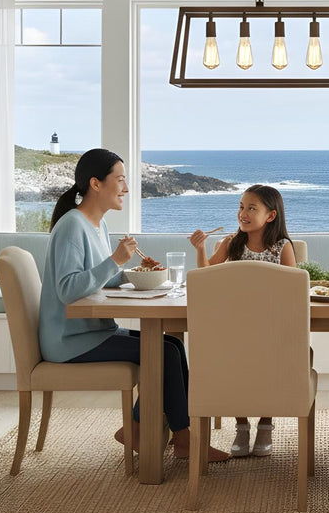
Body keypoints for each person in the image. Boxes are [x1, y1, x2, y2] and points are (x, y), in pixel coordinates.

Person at [39, 148, 229, 464]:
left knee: (172, 345)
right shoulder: (73, 226)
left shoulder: (96, 225)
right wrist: (116, 260)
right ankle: (184, 440)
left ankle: (139, 430)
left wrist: (134, 271)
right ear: (96, 184)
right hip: (70, 341)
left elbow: (96, 279)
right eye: (121, 180)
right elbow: (68, 290)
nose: (126, 189)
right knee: (165, 352)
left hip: (95, 332)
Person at [189, 184, 298, 457]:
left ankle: (265, 423)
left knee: (269, 360)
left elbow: (293, 292)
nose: (243, 213)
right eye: (241, 207)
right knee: (232, 359)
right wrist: (200, 249)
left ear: (270, 216)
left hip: (271, 326)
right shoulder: (231, 243)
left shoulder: (282, 247)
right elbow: (205, 277)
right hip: (235, 326)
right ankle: (241, 425)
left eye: (252, 208)